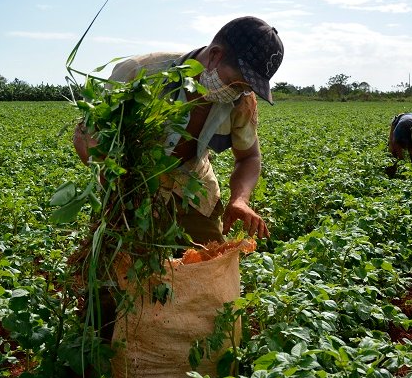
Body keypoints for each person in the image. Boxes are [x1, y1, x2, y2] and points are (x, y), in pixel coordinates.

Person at [73, 16, 284, 246]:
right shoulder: (142, 73)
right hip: (131, 190)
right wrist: (118, 183)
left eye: (248, 87)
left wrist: (240, 199)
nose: (241, 92)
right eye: (238, 82)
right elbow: (87, 135)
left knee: (208, 265)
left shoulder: (242, 100)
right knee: (122, 269)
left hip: (193, 191)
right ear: (215, 56)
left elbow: (249, 157)